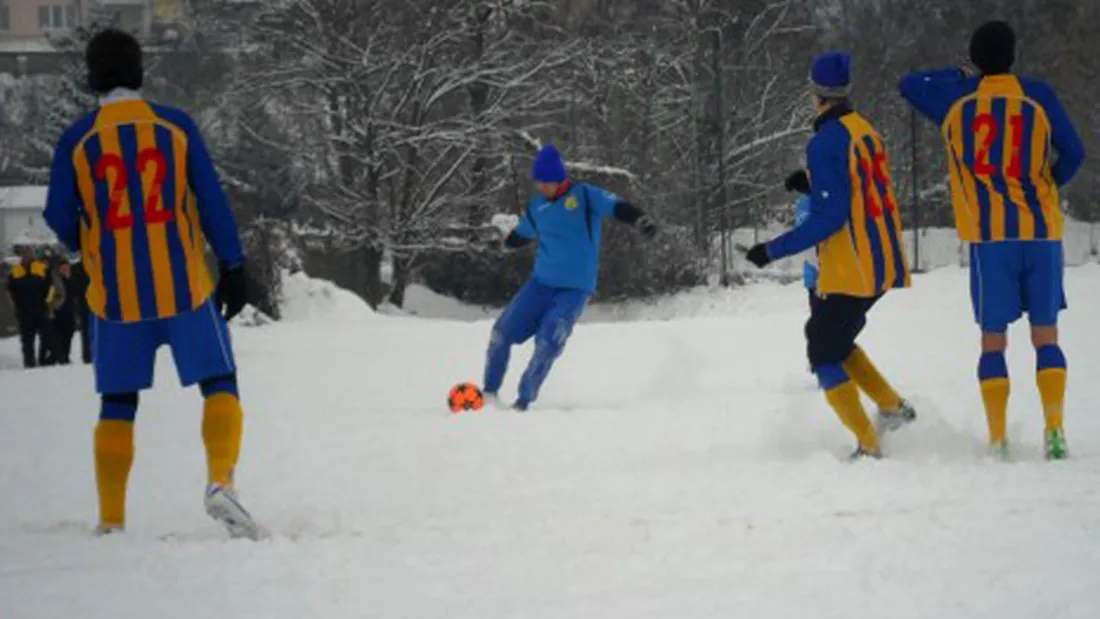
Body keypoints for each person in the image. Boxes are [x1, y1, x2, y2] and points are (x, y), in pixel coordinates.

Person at [44, 29, 258, 537]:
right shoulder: (175, 126)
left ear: (91, 78)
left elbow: (56, 213)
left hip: (116, 295)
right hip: (183, 284)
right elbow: (210, 200)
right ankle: (221, 483)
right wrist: (232, 264)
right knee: (219, 383)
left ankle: (112, 519)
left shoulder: (78, 138)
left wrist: (90, 242)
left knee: (117, 402)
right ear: (141, 72)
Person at [899, 22, 1085, 460]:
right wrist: (1047, 187)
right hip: (1040, 232)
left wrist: (963, 76)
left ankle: (999, 437)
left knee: (993, 340)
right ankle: (1054, 428)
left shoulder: (957, 99)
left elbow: (908, 83)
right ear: (1014, 54)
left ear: (975, 57)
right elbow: (1075, 153)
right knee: (1047, 336)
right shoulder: (1037, 95)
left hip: (991, 237)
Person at [745, 52, 915, 459]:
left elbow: (831, 218)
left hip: (852, 265)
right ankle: (893, 409)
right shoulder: (864, 130)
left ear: (815, 93)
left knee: (821, 351)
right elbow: (857, 191)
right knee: (831, 339)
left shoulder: (824, 141)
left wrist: (772, 250)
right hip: (883, 256)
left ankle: (869, 443)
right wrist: (810, 183)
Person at [485, 144, 657, 411]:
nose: (541, 187)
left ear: (558, 178)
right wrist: (503, 244)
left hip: (574, 289)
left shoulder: (585, 196)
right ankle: (489, 394)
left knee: (548, 340)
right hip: (540, 285)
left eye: (545, 182)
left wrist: (641, 220)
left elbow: (617, 207)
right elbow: (522, 235)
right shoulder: (537, 206)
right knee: (500, 333)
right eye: (538, 182)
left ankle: (523, 401)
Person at [6, 245, 53, 368]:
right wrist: (15, 307)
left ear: (33, 255)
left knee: (46, 336)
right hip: (24, 311)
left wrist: (47, 303)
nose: (27, 256)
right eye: (24, 254)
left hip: (41, 309)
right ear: (21, 256)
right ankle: (29, 362)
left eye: (29, 253)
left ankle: (44, 360)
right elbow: (10, 291)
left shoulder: (41, 268)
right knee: (27, 339)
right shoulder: (15, 271)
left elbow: (51, 287)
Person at [50, 258, 81, 364]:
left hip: (70, 311)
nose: (65, 270)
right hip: (58, 310)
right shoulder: (55, 280)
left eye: (67, 268)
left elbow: (76, 292)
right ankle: (60, 356)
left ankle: (66, 356)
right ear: (59, 269)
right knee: (58, 335)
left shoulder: (73, 279)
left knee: (69, 334)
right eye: (63, 268)